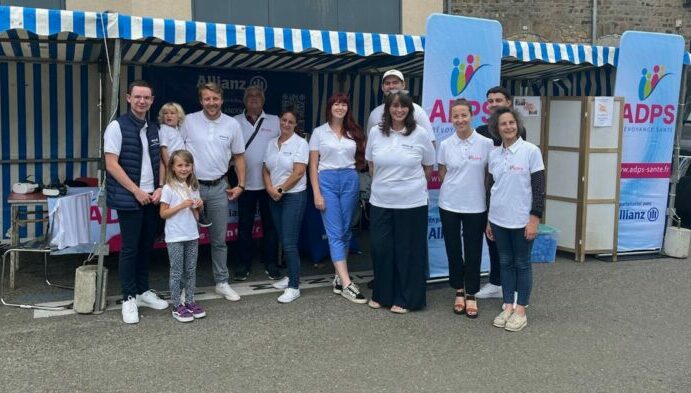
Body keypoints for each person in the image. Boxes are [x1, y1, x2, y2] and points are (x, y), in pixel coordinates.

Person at [104, 80, 169, 324]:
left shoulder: (154, 128)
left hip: (152, 197)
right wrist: (136, 191)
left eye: (147, 98)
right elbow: (111, 164)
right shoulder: (116, 127)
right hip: (130, 198)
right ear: (128, 98)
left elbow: (162, 161)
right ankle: (128, 297)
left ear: (152, 101)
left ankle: (143, 291)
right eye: (138, 97)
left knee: (146, 247)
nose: (142, 101)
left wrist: (160, 187)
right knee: (130, 248)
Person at [366, 91, 435, 314]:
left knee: (408, 251)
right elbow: (370, 164)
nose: (399, 110)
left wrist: (410, 186)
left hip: (412, 203)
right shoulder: (376, 133)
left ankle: (407, 298)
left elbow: (428, 166)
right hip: (381, 201)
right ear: (387, 109)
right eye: (394, 106)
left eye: (403, 106)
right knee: (381, 248)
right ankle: (382, 294)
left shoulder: (420, 134)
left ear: (410, 109)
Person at [181, 82, 245, 302]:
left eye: (215, 98)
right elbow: (176, 153)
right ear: (201, 101)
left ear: (221, 99)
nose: (211, 103)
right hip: (192, 187)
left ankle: (222, 282)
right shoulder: (188, 121)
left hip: (219, 187)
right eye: (207, 99)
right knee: (188, 239)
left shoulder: (232, 125)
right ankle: (185, 286)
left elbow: (238, 157)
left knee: (219, 240)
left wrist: (242, 184)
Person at [485, 107, 545, 332]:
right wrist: (489, 220)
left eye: (511, 122)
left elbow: (539, 188)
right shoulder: (494, 154)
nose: (508, 127)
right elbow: (491, 188)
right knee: (505, 263)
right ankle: (508, 305)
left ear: (518, 124)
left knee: (522, 263)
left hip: (522, 220)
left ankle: (521, 309)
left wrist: (534, 217)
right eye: (503, 124)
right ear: (496, 128)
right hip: (498, 219)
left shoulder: (531, 151)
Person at [308, 92, 368, 304]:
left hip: (350, 178)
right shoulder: (318, 132)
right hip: (327, 180)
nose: (340, 107)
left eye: (343, 104)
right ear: (330, 107)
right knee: (334, 231)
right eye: (336, 104)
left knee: (345, 230)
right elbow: (313, 165)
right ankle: (346, 283)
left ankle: (338, 278)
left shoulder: (353, 131)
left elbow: (362, 158)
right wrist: (316, 193)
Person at [437, 99, 494, 319]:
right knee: (453, 249)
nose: (460, 120)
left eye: (464, 115)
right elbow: (443, 173)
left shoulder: (485, 143)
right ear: (450, 119)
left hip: (476, 205)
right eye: (455, 116)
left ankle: (471, 293)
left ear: (471, 116)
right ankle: (458, 291)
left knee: (473, 250)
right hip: (449, 204)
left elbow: (489, 175)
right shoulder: (445, 145)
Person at [475, 86, 526, 300]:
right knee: (492, 239)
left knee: (512, 245)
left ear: (508, 102)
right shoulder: (480, 130)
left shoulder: (516, 129)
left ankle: (513, 287)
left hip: (512, 195)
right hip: (488, 193)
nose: (494, 104)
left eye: (498, 100)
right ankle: (496, 282)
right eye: (490, 101)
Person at [231, 86, 281, 281]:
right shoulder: (235, 122)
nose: (254, 99)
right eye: (250, 96)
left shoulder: (275, 121)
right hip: (244, 184)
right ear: (244, 100)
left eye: (258, 96)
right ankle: (243, 264)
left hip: (269, 185)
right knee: (244, 227)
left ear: (264, 100)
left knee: (271, 227)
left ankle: (271, 264)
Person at [263, 109, 309, 303]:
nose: (286, 124)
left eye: (291, 121)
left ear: (295, 124)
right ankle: (290, 275)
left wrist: (279, 190)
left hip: (293, 197)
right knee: (283, 237)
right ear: (279, 121)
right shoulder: (271, 143)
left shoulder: (301, 143)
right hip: (274, 196)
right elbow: (265, 169)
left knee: (289, 242)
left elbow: (298, 173)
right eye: (284, 120)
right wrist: (270, 189)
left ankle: (294, 286)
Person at [159, 150, 206, 322]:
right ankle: (176, 305)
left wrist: (198, 206)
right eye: (180, 165)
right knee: (177, 271)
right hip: (175, 237)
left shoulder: (193, 187)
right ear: (172, 167)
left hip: (192, 234)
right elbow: (163, 214)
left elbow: (197, 217)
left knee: (191, 270)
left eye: (187, 165)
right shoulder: (168, 188)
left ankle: (190, 301)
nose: (184, 169)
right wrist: (180, 206)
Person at [366, 69, 435, 144]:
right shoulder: (375, 113)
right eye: (387, 83)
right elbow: (370, 142)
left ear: (403, 85)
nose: (391, 86)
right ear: (382, 87)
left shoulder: (417, 111)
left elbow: (430, 142)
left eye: (395, 82)